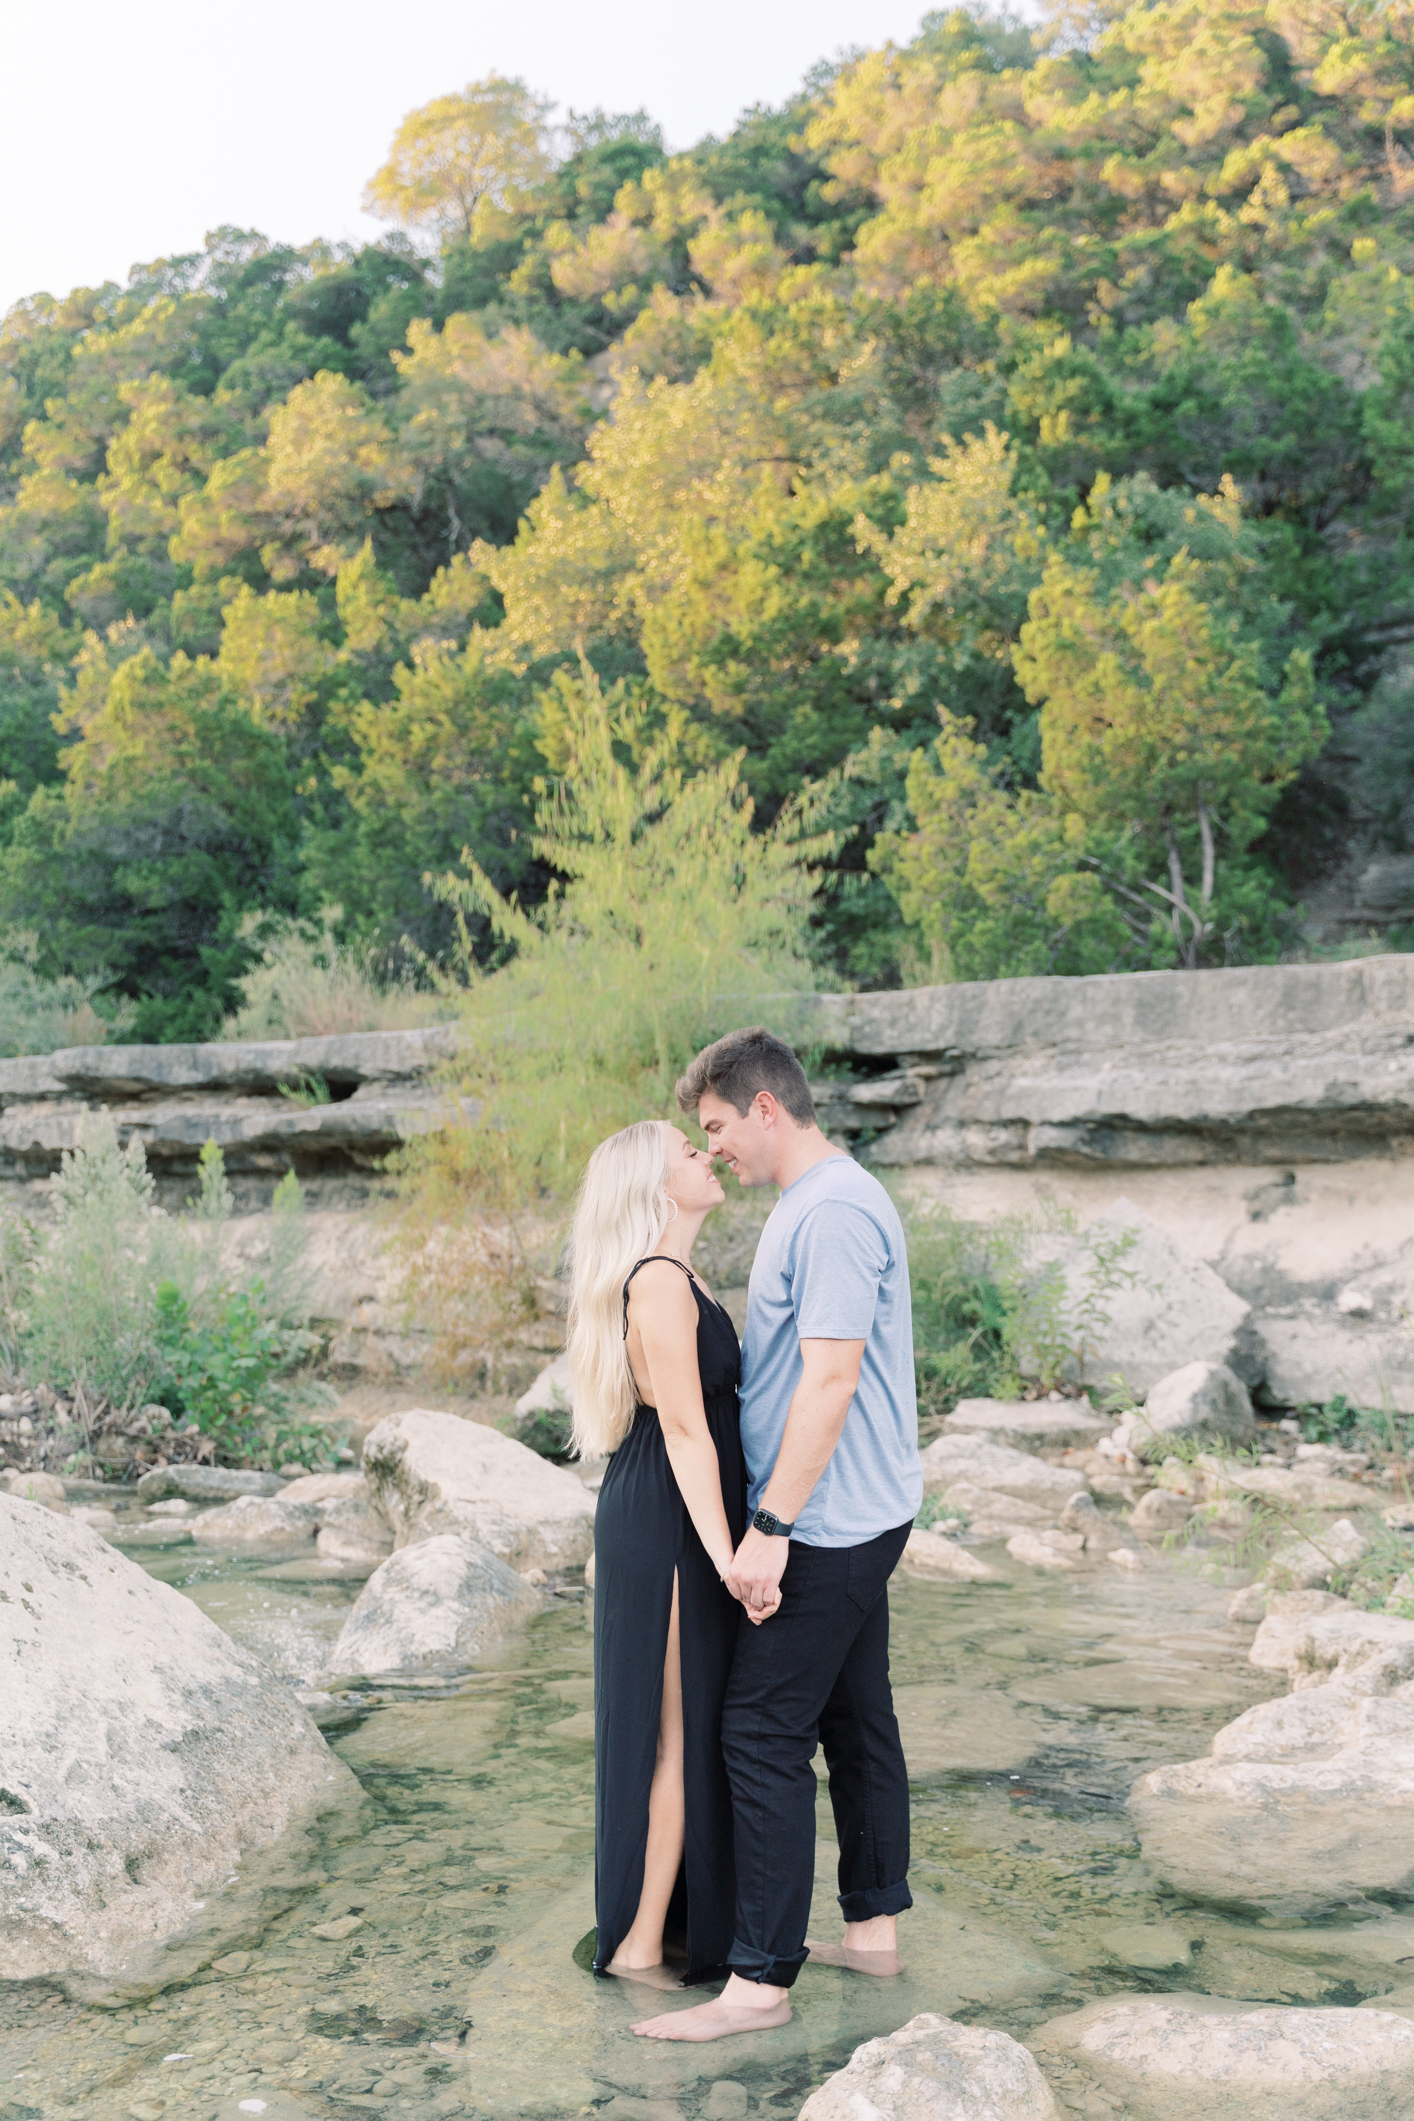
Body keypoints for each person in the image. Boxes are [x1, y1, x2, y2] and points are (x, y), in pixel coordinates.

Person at [631, 1026, 923, 2042]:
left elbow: (831, 1378)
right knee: (853, 1720)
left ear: (764, 1107)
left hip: (830, 1520)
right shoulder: (817, 1203)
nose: (713, 1149)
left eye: (715, 1126)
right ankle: (876, 1930)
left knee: (758, 1733)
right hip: (857, 1508)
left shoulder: (831, 1210)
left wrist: (769, 1526)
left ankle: (759, 1982)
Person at [570, 1117, 764, 1989]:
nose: (710, 1155)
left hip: (682, 1507)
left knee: (689, 1732)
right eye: (691, 1151)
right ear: (656, 1185)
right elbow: (686, 1428)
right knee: (674, 1737)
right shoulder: (656, 1281)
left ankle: (674, 1927)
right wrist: (729, 1557)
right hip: (673, 1517)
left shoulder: (686, 1276)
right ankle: (642, 1945)